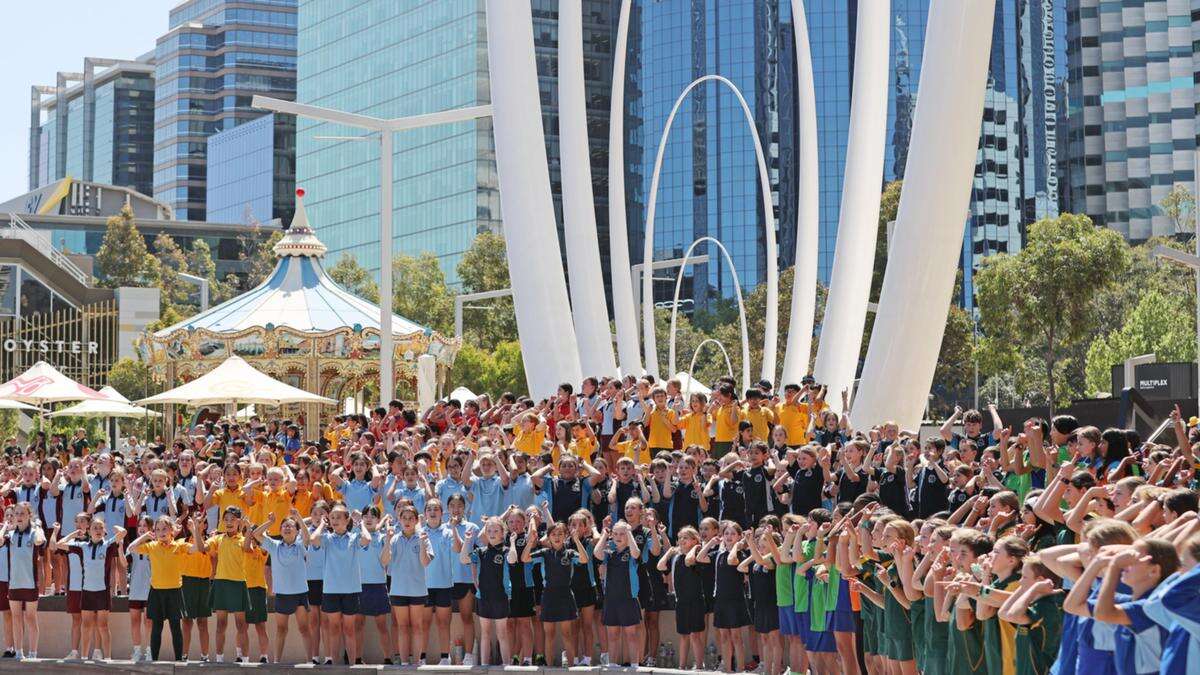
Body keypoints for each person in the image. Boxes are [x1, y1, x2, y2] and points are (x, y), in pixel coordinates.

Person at [250, 511, 313, 664]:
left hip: (300, 594)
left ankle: (311, 661)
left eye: (290, 526)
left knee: (304, 628)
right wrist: (270, 522)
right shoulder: (274, 545)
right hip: (282, 595)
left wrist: (298, 518)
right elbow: (256, 534)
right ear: (280, 530)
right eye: (284, 526)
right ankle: (277, 662)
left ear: (296, 530)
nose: (287, 528)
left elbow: (307, 537)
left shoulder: (300, 545)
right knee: (281, 629)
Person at [128, 515, 189, 662]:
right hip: (156, 592)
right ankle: (153, 661)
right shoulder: (151, 546)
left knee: (175, 627)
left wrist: (193, 530)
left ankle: (179, 660)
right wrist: (145, 536)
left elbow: (196, 548)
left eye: (165, 529)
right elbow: (131, 547)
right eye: (158, 529)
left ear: (172, 531)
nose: (161, 532)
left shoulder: (179, 545)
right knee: (157, 628)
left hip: (174, 591)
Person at [382, 504, 432, 666]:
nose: (408, 521)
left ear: (417, 520)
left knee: (417, 626)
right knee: (402, 627)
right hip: (398, 590)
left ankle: (417, 662)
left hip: (417, 591)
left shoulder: (423, 537)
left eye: (411, 518)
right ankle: (404, 663)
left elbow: (425, 563)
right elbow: (384, 561)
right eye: (404, 518)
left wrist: (423, 545)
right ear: (399, 520)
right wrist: (388, 541)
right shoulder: (393, 538)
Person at [460, 516, 512, 666]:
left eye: (496, 530)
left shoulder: (506, 551)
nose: (492, 533)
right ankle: (484, 666)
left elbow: (514, 559)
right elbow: (463, 559)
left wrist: (513, 542)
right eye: (489, 530)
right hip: (483, 597)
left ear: (503, 533)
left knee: (502, 634)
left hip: (501, 596)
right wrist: (468, 541)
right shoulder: (481, 552)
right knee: (485, 633)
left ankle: (506, 665)